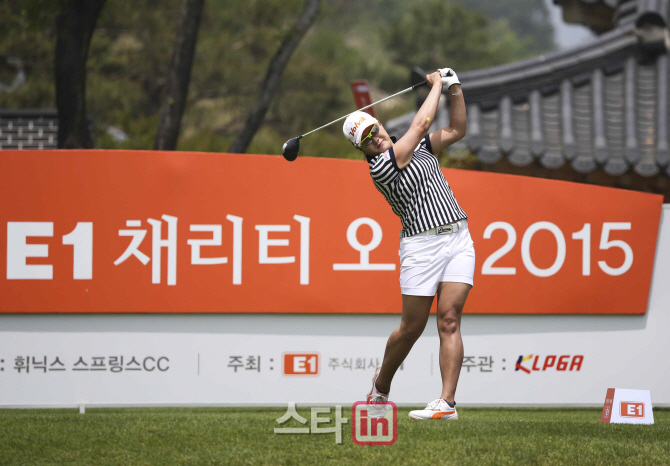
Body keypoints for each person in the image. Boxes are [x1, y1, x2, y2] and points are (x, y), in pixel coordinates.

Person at [342, 69, 473, 420]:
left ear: (381, 126)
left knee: (449, 319)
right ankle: (381, 387)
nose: (375, 139)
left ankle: (446, 403)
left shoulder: (420, 148)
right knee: (411, 328)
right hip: (421, 247)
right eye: (367, 139)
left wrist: (455, 88)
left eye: (375, 130)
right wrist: (437, 86)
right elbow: (420, 124)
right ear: (361, 149)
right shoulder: (382, 166)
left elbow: (457, 129)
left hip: (459, 238)